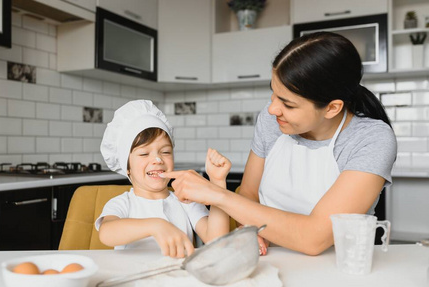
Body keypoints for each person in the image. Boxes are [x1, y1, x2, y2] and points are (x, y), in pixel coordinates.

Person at [160, 32, 397, 256]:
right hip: (270, 258)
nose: (273, 109)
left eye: (288, 104)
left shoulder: (370, 139)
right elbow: (249, 192)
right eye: (273, 94)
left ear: (332, 107)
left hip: (341, 267)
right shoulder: (272, 120)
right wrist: (249, 228)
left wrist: (217, 195)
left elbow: (314, 237)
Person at [95, 100, 230, 258]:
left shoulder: (186, 201)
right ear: (128, 168)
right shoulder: (122, 203)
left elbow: (217, 241)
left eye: (165, 152)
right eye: (145, 154)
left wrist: (218, 183)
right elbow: (107, 233)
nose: (158, 160)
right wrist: (156, 225)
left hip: (177, 279)